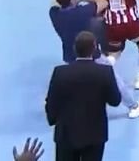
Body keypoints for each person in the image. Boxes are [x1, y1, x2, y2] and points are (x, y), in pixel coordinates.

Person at [48, 0, 139, 119]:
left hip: (70, 57)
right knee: (114, 79)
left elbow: (54, 0)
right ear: (72, 0)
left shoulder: (54, 14)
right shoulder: (82, 12)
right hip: (92, 55)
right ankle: (133, 106)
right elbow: (103, 2)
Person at [45, 31, 122, 161]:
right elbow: (115, 101)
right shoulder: (105, 72)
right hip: (94, 135)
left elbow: (51, 102)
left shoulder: (60, 72)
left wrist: (52, 120)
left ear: (74, 48)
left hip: (66, 135)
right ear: (94, 48)